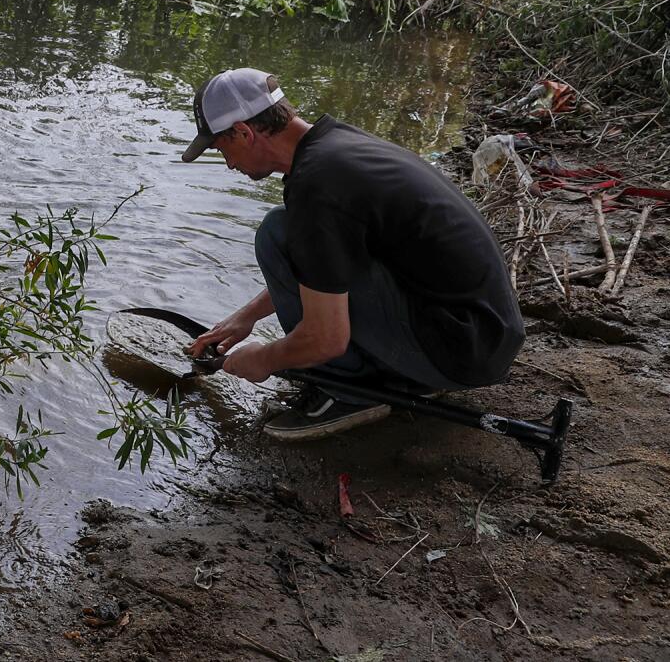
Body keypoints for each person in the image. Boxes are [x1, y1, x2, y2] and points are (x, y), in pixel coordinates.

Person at [179, 68, 526, 440]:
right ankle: (395, 373)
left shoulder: (317, 187)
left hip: (457, 351)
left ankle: (346, 392)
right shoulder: (335, 146)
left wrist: (262, 358)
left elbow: (326, 339)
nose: (229, 164)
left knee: (275, 234)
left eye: (221, 149)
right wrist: (245, 318)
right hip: (485, 335)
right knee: (284, 227)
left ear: (244, 133)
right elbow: (329, 266)